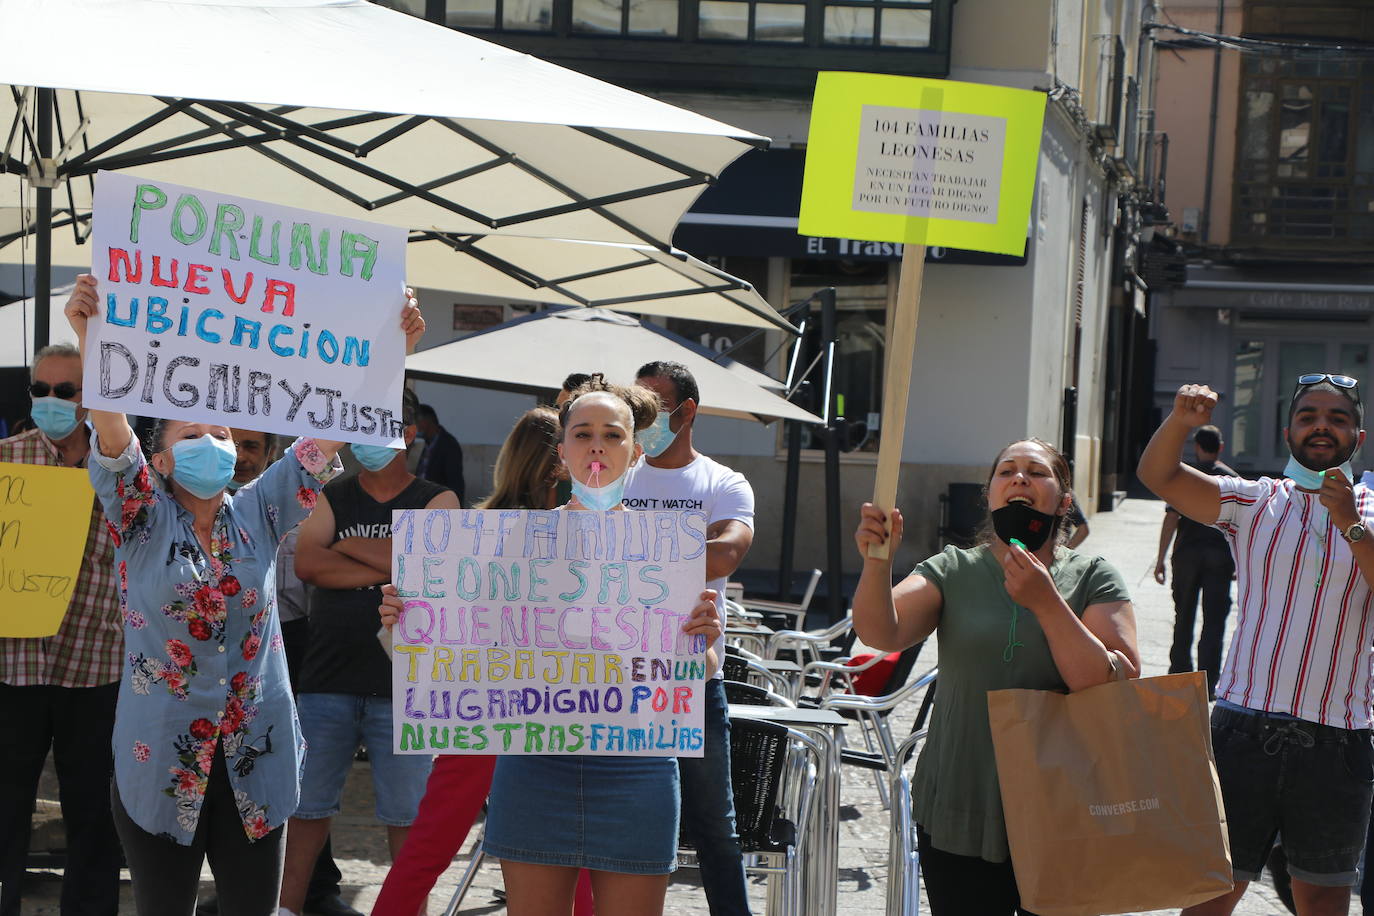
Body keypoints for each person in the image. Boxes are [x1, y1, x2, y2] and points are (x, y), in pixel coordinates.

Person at [62, 272, 424, 916]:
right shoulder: (139, 516)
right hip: (161, 758)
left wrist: (390, 348)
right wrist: (91, 338)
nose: (214, 444)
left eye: (224, 435)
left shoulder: (260, 511)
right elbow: (112, 431)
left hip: (256, 755)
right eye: (191, 434)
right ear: (161, 460)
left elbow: (330, 430)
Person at [384, 375, 721, 916]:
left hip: (638, 771)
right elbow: (462, 660)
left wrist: (705, 641)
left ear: (635, 452)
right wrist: (406, 625)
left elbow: (697, 671)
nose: (596, 446)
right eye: (582, 433)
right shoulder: (513, 544)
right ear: (560, 452)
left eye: (612, 435)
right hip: (533, 766)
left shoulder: (669, 551)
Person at [853, 437, 1139, 916]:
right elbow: (880, 631)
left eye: (1037, 471)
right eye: (1007, 471)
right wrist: (876, 563)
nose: (1020, 478)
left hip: (1063, 807)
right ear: (990, 494)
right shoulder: (953, 569)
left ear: (1064, 500)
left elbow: (1113, 683)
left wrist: (1046, 601)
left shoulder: (1094, 576)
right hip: (961, 801)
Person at [1138, 375, 1374, 915]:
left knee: (1322, 899)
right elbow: (1159, 475)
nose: (1321, 425)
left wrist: (1351, 526)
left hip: (1337, 741)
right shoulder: (1256, 500)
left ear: (1357, 438)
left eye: (1337, 418)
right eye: (1309, 415)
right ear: (1288, 432)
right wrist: (1180, 422)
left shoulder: (1370, 509)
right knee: (1211, 892)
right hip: (1243, 730)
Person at [372, 406, 595, 916]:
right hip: (546, 711)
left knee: (428, 847)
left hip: (477, 708)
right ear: (558, 463)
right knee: (577, 850)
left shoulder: (469, 532)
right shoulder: (581, 533)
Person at [279, 389, 459, 916]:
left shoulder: (438, 498)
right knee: (305, 809)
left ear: (408, 434)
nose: (366, 438)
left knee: (408, 819)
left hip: (407, 686)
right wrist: (398, 562)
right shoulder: (332, 491)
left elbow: (438, 573)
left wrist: (346, 545)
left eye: (380, 424)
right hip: (326, 677)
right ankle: (285, 908)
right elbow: (310, 565)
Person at [196, 431, 360, 916]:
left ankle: (306, 887)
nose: (238, 456)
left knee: (284, 792)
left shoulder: (270, 505)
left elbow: (314, 572)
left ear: (270, 455)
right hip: (199, 680)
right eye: (229, 442)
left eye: (248, 446)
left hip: (285, 655)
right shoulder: (156, 516)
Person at [624, 360, 754, 916]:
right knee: (627, 820)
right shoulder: (616, 476)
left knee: (715, 826)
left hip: (695, 679)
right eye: (637, 407)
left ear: (688, 412)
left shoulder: (724, 481)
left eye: (654, 406)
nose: (642, 418)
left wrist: (631, 552)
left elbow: (728, 553)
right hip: (617, 678)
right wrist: (686, 546)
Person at [0, 342, 123, 916]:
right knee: (4, 804)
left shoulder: (123, 468)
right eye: (40, 391)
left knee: (95, 815)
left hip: (97, 664)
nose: (51, 401)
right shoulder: (6, 461)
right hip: (14, 666)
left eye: (65, 392)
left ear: (91, 397)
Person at [1152, 424, 1238, 696]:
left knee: (1184, 615)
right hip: (1219, 558)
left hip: (1187, 555)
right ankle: (1208, 681)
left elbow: (1171, 518)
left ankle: (1179, 673)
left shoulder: (1185, 478)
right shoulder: (1231, 480)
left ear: (1197, 446)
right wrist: (1238, 561)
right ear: (1220, 447)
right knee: (1214, 620)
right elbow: (1239, 526)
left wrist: (1160, 558)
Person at [414, 403, 465, 504]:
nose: (415, 427)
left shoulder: (449, 445)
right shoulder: (429, 443)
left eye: (417, 422)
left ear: (427, 421)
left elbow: (455, 483)